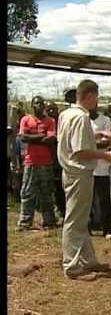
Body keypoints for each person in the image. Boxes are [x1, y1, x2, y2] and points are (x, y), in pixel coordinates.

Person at [57, 79, 111, 280]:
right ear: (90, 96)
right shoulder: (81, 117)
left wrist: (99, 145)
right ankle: (72, 267)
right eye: (97, 97)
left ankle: (88, 260)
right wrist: (106, 156)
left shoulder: (65, 114)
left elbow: (75, 145)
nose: (97, 101)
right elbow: (81, 151)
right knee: (75, 220)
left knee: (81, 218)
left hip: (71, 172)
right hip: (79, 173)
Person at [16, 96, 57, 231]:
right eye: (36, 103)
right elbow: (23, 137)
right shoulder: (26, 119)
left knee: (47, 192)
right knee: (27, 192)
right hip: (30, 162)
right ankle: (24, 222)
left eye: (41, 103)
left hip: (46, 162)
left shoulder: (50, 121)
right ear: (32, 105)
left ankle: (49, 221)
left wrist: (32, 136)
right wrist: (41, 135)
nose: (38, 106)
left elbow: (50, 139)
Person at [88, 106, 111, 239]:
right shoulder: (83, 120)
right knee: (87, 200)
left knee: (104, 199)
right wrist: (96, 139)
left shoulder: (105, 120)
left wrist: (89, 143)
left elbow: (107, 142)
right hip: (88, 167)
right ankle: (87, 228)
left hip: (103, 167)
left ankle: (107, 229)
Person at [45, 101, 65, 224]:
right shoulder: (44, 122)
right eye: (49, 110)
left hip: (61, 161)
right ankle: (51, 214)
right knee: (49, 189)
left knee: (61, 189)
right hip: (47, 161)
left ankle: (63, 212)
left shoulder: (62, 122)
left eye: (53, 109)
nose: (51, 112)